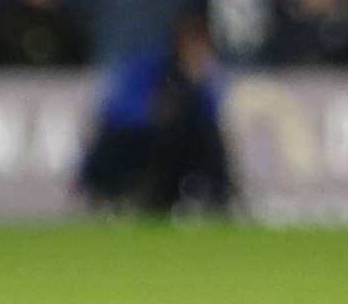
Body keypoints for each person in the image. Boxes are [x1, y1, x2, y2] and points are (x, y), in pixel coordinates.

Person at [75, 14, 234, 215]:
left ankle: (215, 198)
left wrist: (197, 84)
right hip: (139, 139)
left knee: (205, 135)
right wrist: (151, 111)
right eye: (191, 43)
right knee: (130, 139)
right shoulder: (150, 67)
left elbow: (211, 113)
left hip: (182, 145)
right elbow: (117, 108)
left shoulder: (205, 76)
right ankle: (124, 194)